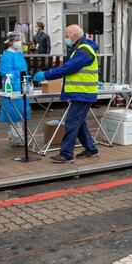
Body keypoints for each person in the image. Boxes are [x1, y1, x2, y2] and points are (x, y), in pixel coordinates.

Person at [33, 25, 99, 163]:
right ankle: (91, 149)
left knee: (71, 123)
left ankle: (66, 154)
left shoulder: (84, 50)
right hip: (82, 93)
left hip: (83, 93)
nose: (66, 39)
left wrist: (46, 74)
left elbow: (68, 68)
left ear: (75, 36)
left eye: (67, 36)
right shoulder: (79, 49)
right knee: (79, 123)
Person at [0, 32, 31, 147]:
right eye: (17, 40)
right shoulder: (7, 56)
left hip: (22, 85)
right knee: (14, 113)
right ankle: (17, 138)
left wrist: (26, 83)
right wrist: (15, 85)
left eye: (20, 39)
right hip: (13, 87)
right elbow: (7, 73)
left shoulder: (19, 54)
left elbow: (24, 70)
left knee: (21, 113)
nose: (20, 42)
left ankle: (16, 137)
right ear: (11, 41)